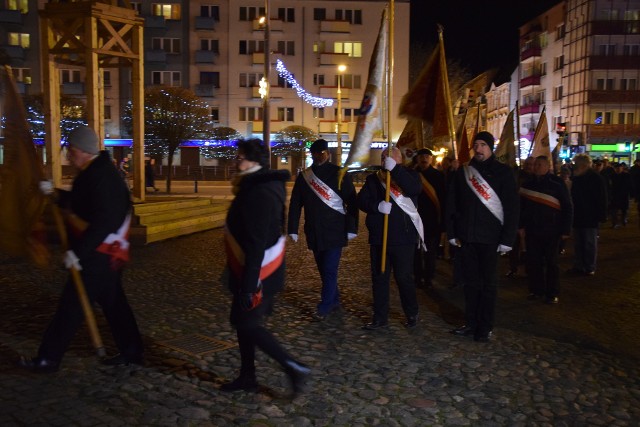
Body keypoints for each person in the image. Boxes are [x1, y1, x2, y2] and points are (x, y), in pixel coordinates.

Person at [19, 125, 143, 373]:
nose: (68, 155)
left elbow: (104, 221)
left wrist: (79, 252)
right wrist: (55, 195)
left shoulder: (102, 176)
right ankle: (132, 350)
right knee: (114, 304)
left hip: (99, 254)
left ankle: (48, 359)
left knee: (71, 306)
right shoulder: (94, 172)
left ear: (80, 150)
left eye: (70, 150)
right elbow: (82, 203)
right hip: (104, 255)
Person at [221, 138, 310, 395]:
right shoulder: (254, 186)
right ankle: (247, 375)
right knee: (243, 323)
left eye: (240, 157)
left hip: (259, 274)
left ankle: (294, 367)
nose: (236, 161)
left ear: (254, 161)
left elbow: (256, 242)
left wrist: (249, 287)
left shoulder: (258, 192)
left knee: (247, 323)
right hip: (253, 271)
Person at [446, 131, 519, 342]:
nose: (478, 149)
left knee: (488, 285)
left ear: (490, 148)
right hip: (467, 237)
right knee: (470, 284)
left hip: (491, 239)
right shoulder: (464, 172)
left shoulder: (504, 173)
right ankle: (470, 323)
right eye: (476, 145)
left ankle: (485, 326)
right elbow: (452, 203)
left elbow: (512, 208)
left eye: (483, 145)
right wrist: (451, 232)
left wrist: (507, 239)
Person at [287, 139, 358, 321]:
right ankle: (333, 299)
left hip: (335, 230)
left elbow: (352, 202)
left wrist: (352, 227)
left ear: (328, 153)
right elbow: (295, 203)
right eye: (316, 153)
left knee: (329, 269)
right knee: (323, 270)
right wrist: (292, 228)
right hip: (314, 231)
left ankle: (324, 306)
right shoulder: (305, 176)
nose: (319, 156)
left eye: (322, 153)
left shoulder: (340, 174)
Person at [357, 146, 422, 330]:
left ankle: (411, 313)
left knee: (404, 278)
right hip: (380, 237)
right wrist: (376, 206)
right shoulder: (374, 179)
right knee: (379, 278)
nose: (385, 158)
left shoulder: (410, 175)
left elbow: (414, 189)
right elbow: (361, 200)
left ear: (398, 158)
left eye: (389, 156)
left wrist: (396, 170)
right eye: (383, 156)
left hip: (404, 238)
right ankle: (380, 318)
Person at [519, 156, 573, 304]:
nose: (536, 167)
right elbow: (521, 208)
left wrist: (565, 229)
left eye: (539, 165)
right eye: (535, 165)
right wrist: (521, 226)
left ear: (547, 166)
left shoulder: (557, 183)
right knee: (534, 262)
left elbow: (567, 206)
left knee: (552, 263)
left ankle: (552, 292)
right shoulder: (527, 184)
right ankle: (536, 290)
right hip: (532, 230)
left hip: (552, 230)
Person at [569, 154, 608, 275]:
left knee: (589, 242)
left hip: (590, 216)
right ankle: (580, 265)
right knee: (579, 242)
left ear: (583, 165)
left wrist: (601, 215)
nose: (574, 167)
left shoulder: (595, 178)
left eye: (576, 164)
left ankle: (589, 266)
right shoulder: (577, 178)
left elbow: (602, 198)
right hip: (579, 215)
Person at [413, 148, 446, 288]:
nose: (424, 159)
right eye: (421, 156)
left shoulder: (438, 176)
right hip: (415, 218)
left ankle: (428, 277)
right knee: (415, 251)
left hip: (432, 220)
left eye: (427, 156)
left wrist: (443, 222)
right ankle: (417, 276)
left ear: (431, 159)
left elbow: (444, 198)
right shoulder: (412, 174)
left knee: (430, 251)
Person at [609, 162, 632, 228]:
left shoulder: (626, 175)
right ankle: (614, 222)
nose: (618, 169)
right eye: (616, 168)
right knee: (614, 210)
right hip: (614, 195)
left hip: (623, 194)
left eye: (619, 168)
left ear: (622, 168)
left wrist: (630, 193)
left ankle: (623, 219)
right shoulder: (611, 176)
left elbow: (630, 185)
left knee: (624, 209)